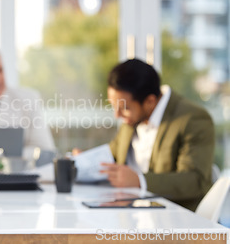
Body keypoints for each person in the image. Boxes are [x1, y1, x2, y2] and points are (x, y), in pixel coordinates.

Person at [90, 59, 214, 211]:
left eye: (124, 108)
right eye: (114, 106)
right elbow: (113, 154)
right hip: (127, 213)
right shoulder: (132, 119)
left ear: (150, 101)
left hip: (172, 220)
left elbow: (194, 180)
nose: (117, 115)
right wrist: (85, 161)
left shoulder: (192, 119)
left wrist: (139, 180)